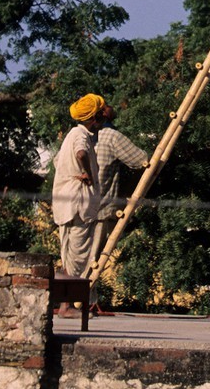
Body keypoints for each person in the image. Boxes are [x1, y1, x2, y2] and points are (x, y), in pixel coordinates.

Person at [51, 93, 103, 310]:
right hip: (77, 204)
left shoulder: (71, 135)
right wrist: (87, 174)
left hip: (66, 203)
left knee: (69, 255)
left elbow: (57, 162)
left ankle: (66, 304)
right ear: (93, 118)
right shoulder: (80, 135)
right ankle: (67, 306)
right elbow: (81, 154)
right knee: (78, 257)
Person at [93, 101, 149, 268]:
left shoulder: (76, 136)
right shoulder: (111, 136)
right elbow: (142, 159)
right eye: (105, 106)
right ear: (103, 113)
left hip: (75, 212)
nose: (110, 107)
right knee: (88, 270)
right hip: (99, 213)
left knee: (74, 270)